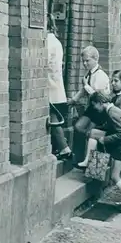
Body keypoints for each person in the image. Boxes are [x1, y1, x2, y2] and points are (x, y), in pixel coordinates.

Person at [89, 92, 121, 214]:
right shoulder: (113, 110)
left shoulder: (112, 113)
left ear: (100, 103)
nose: (95, 108)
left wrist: (104, 139)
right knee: (120, 173)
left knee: (115, 176)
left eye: (95, 105)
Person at [68, 46, 111, 167]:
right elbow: (83, 90)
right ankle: (84, 157)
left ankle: (91, 161)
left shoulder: (101, 75)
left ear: (96, 59)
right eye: (83, 61)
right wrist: (74, 100)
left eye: (87, 60)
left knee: (91, 133)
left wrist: (86, 85)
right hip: (91, 108)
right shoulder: (88, 74)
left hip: (100, 110)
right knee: (78, 127)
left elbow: (98, 96)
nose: (85, 63)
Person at [47, 14, 72, 159]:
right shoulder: (56, 41)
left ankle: (63, 147)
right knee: (53, 116)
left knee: (53, 117)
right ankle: (61, 147)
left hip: (50, 85)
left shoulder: (48, 42)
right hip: (55, 85)